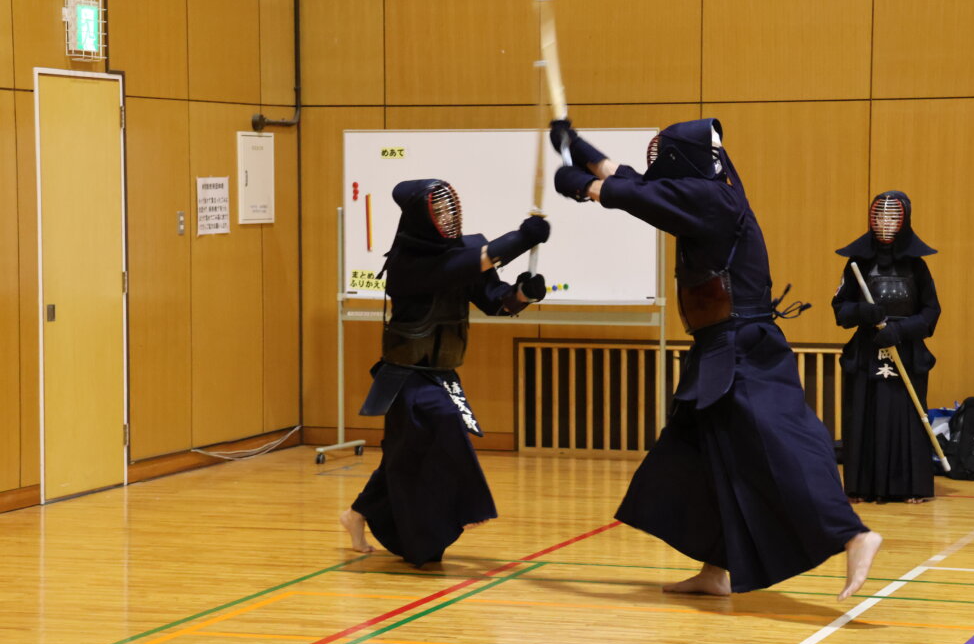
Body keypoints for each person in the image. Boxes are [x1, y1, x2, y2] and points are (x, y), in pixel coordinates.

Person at [550, 118, 881, 600]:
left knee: (781, 441)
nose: (655, 164)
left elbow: (633, 194)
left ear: (680, 159)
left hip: (744, 347)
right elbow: (634, 182)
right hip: (717, 347)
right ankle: (716, 568)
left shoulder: (712, 199)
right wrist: (578, 147)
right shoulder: (709, 189)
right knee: (701, 456)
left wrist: (585, 187)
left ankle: (852, 533)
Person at [340, 178, 550, 566]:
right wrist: (522, 238)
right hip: (405, 374)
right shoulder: (406, 262)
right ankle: (468, 504)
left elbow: (495, 302)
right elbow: (461, 267)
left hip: (442, 371)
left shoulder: (465, 252)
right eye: (438, 211)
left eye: (450, 208)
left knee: (405, 454)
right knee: (443, 419)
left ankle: (356, 514)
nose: (447, 217)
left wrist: (523, 294)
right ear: (420, 218)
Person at [832, 191, 940, 504]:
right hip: (866, 352)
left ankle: (911, 487)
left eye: (892, 217)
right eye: (880, 216)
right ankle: (861, 486)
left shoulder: (917, 266)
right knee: (863, 417)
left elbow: (931, 312)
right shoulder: (857, 264)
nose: (885, 223)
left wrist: (901, 330)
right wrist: (862, 312)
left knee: (907, 419)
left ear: (904, 221)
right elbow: (840, 309)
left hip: (905, 351)